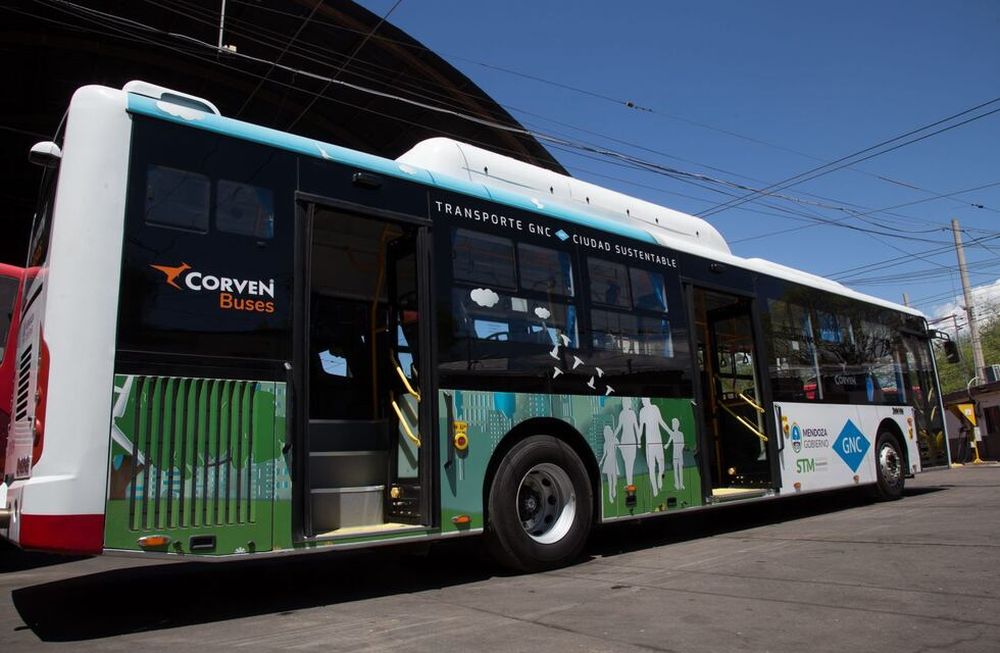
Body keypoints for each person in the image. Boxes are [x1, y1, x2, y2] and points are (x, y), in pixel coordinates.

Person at [639, 397, 668, 496]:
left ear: (649, 399)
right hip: (649, 444)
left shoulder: (655, 408)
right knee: (651, 468)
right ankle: (655, 488)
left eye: (644, 399)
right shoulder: (642, 412)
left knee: (661, 465)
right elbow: (640, 428)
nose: (642, 401)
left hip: (658, 441)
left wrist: (670, 432)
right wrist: (638, 440)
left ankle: (660, 477)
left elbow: (661, 421)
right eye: (642, 400)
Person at [598, 423, 620, 503]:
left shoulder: (614, 440)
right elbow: (604, 454)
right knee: (610, 480)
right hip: (608, 461)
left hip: (613, 461)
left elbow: (619, 445)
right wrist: (601, 462)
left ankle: (613, 489)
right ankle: (610, 495)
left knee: (614, 480)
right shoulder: (605, 443)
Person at [665, 417, 686, 490]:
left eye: (674, 424)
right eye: (672, 424)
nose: (673, 425)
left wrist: (680, 449)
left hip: (679, 454)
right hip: (675, 454)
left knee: (680, 469)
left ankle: (681, 484)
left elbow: (683, 444)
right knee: (675, 469)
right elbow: (669, 441)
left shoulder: (681, 434)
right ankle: (676, 484)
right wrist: (666, 445)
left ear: (677, 425)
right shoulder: (672, 434)